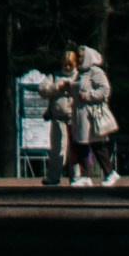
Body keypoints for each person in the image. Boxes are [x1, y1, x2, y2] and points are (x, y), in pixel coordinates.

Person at [47, 44, 117, 188]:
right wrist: (69, 88)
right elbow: (78, 88)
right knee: (81, 144)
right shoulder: (82, 73)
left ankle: (109, 173)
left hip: (91, 115)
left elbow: (105, 90)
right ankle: (86, 175)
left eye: (80, 56)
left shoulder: (95, 71)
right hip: (80, 115)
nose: (78, 58)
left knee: (97, 145)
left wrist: (89, 96)